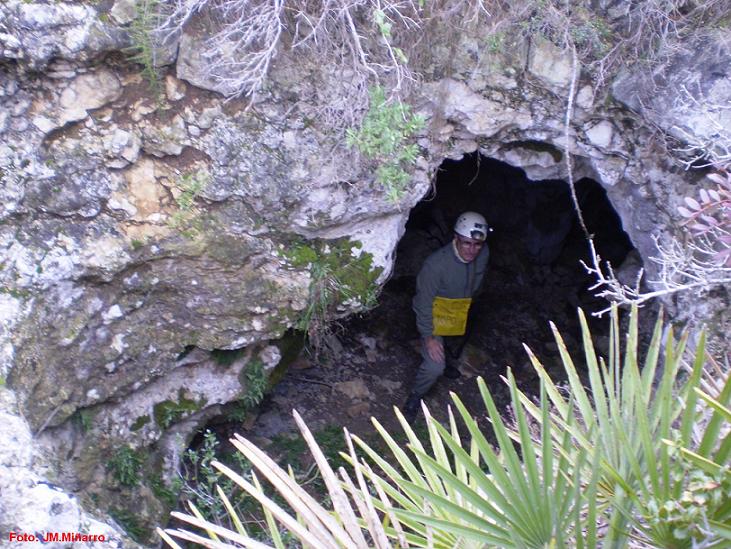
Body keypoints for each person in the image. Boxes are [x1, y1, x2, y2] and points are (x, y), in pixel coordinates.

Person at [403, 211, 490, 421]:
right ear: (456, 239)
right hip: (435, 314)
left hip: (459, 309)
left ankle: (448, 359)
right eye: (466, 243)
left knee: (455, 340)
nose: (472, 250)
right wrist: (429, 337)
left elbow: (478, 278)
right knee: (434, 366)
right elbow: (423, 303)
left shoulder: (484, 253)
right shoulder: (436, 266)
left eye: (477, 245)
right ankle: (415, 396)